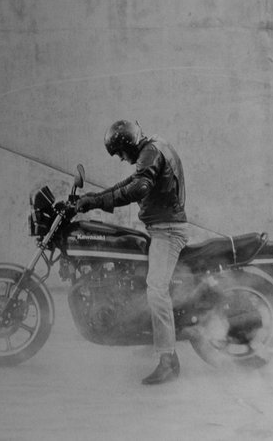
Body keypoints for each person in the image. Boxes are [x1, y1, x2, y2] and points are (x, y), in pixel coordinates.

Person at [75, 120, 188, 385]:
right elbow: (130, 181)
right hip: (160, 227)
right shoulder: (152, 147)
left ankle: (168, 360)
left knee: (156, 289)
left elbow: (139, 187)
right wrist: (95, 198)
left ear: (127, 144)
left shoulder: (151, 151)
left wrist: (97, 201)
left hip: (167, 232)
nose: (122, 159)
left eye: (120, 153)